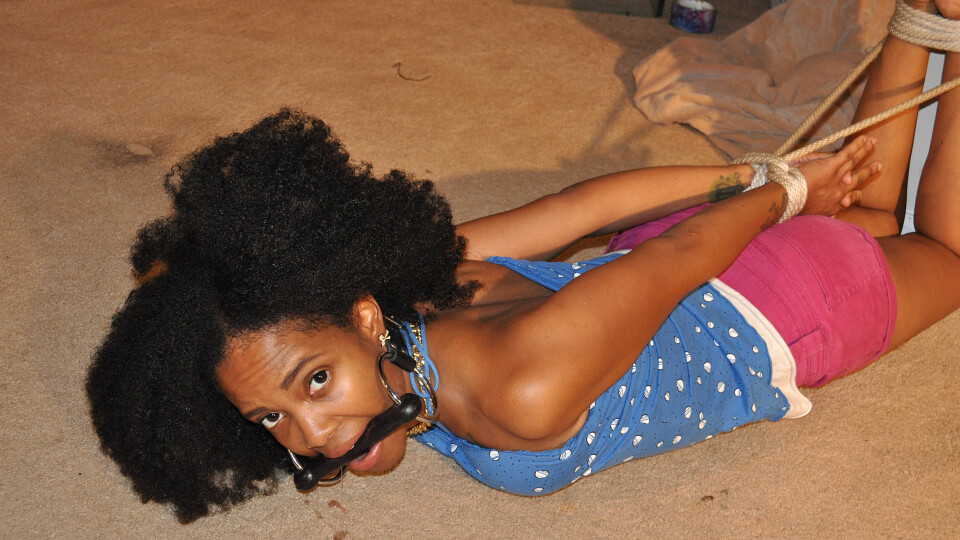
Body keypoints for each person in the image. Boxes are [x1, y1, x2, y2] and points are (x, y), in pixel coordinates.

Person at [86, 0, 960, 524]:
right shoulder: (412, 286)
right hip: (684, 256)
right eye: (272, 419)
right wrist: (756, 178)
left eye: (314, 382)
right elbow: (582, 210)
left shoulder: (520, 396)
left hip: (777, 307)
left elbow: (682, 255)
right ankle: (926, 17)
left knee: (941, 247)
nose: (311, 438)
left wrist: (783, 193)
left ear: (360, 319)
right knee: (870, 209)